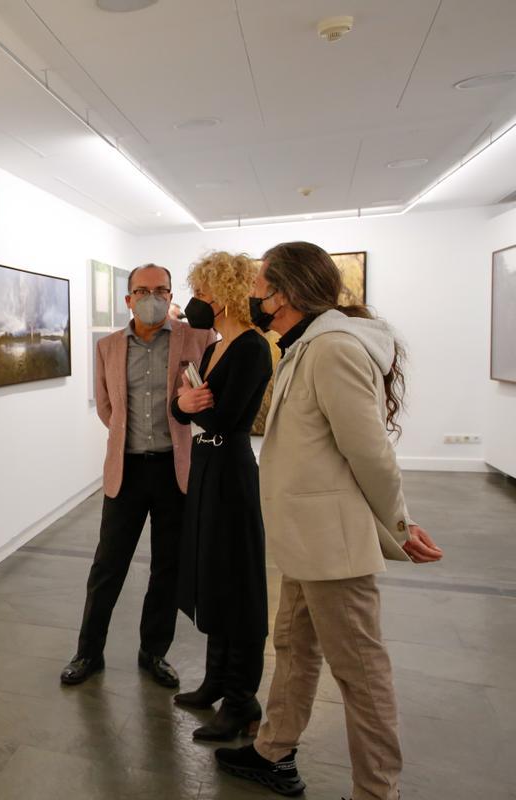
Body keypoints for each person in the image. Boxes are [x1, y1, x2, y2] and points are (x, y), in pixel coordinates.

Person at [215, 242, 444, 799]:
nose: (252, 294)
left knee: (360, 671)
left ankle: (377, 790)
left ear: (285, 293)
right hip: (305, 541)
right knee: (293, 645)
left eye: (260, 283)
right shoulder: (302, 344)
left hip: (332, 547)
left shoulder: (332, 349)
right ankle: (274, 750)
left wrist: (399, 524)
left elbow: (370, 453)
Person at [61, 264, 214, 688]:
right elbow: (108, 408)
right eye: (142, 290)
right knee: (108, 566)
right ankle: (89, 652)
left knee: (168, 567)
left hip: (174, 470)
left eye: (161, 290)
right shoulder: (108, 346)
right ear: (128, 299)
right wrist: (130, 437)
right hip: (126, 470)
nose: (152, 297)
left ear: (171, 296)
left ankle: (154, 652)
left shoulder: (197, 340)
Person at [170, 252, 273, 741]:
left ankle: (241, 698)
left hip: (231, 470)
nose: (199, 302)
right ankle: (215, 679)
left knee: (236, 581)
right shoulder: (213, 347)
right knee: (210, 572)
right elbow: (190, 407)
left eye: (206, 293)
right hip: (207, 466)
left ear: (228, 294)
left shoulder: (252, 347)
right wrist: (183, 403)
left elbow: (225, 417)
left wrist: (189, 406)